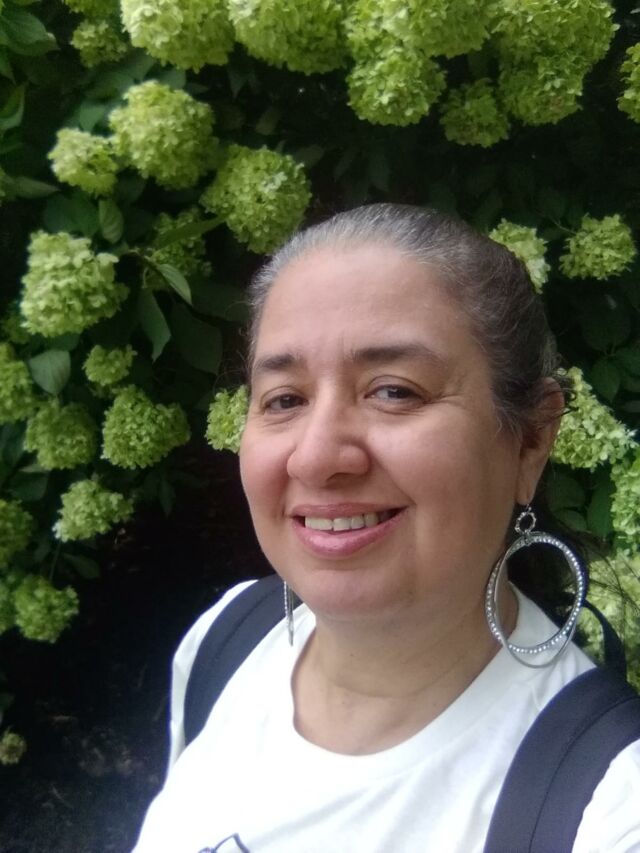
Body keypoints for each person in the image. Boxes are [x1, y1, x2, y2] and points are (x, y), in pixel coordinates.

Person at [134, 204, 640, 853]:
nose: (316, 456)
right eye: (285, 398)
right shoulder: (226, 640)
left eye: (394, 391)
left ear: (532, 439)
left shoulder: (607, 808)